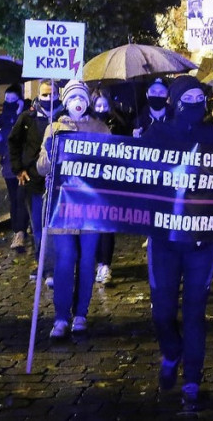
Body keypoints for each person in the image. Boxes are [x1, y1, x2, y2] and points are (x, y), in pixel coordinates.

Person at [143, 75, 213, 408]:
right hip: (164, 238)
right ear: (174, 101)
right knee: (162, 311)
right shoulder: (156, 135)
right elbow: (134, 173)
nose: (195, 102)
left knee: (194, 312)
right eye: (187, 96)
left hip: (202, 240)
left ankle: (192, 378)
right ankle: (171, 351)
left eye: (199, 96)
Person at [37, 81, 109, 340]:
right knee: (65, 258)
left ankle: (81, 313)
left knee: (87, 258)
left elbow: (112, 165)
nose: (78, 102)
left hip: (91, 204)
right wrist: (50, 152)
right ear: (66, 101)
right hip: (62, 204)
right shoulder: (54, 128)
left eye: (82, 97)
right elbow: (41, 168)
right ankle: (60, 317)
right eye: (73, 97)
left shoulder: (101, 128)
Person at [8, 80, 63, 281]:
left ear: (59, 95)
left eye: (52, 94)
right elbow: (13, 142)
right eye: (45, 95)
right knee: (38, 227)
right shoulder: (27, 118)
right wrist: (18, 169)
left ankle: (55, 265)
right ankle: (43, 265)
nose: (48, 98)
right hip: (34, 181)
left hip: (59, 182)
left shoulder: (64, 118)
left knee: (55, 226)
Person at [91, 89, 129, 286]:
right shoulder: (87, 125)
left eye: (105, 106)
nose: (102, 109)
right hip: (91, 183)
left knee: (107, 225)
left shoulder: (120, 123)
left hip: (112, 183)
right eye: (98, 106)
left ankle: (105, 263)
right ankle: (95, 261)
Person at [0, 84, 27, 251]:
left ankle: (21, 231)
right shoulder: (0, 119)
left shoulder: (26, 116)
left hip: (23, 164)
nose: (9, 102)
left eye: (13, 100)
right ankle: (18, 230)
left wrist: (20, 112)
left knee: (22, 197)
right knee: (14, 199)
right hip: (8, 163)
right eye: (7, 99)